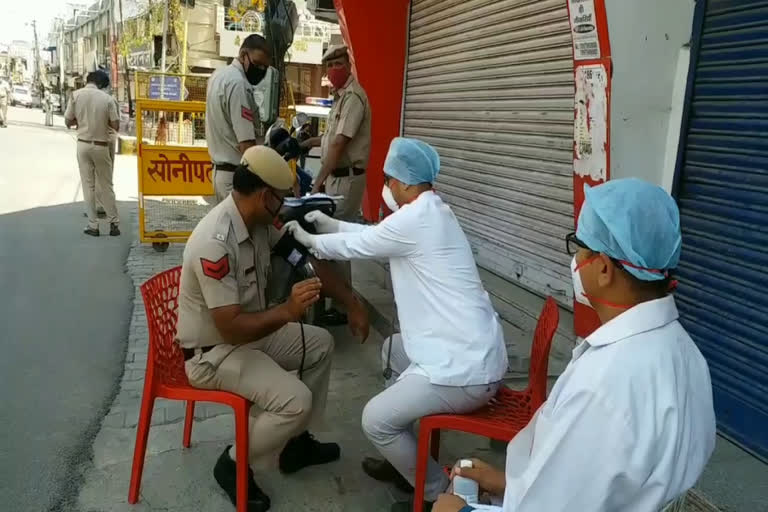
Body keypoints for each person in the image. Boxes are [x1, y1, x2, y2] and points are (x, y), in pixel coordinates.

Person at [431, 178, 716, 512]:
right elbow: (600, 484)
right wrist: (512, 484)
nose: (575, 260)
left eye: (579, 246)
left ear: (604, 269)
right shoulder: (686, 354)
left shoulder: (604, 385)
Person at [285, 137, 508, 512]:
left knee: (374, 420)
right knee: (391, 351)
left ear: (404, 183)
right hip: (465, 351)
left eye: (388, 181)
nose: (386, 188)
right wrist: (330, 224)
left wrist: (311, 239)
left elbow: (362, 245)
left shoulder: (417, 219)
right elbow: (373, 236)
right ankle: (407, 464)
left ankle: (436, 492)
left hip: (466, 370)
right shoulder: (429, 213)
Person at [176, 145, 370, 511]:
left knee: (320, 344)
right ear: (265, 196)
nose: (283, 206)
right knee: (295, 400)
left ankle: (294, 445)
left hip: (249, 336)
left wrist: (351, 302)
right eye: (281, 198)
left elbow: (306, 259)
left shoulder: (259, 223)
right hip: (213, 354)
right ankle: (232, 464)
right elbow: (231, 329)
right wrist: (287, 310)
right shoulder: (215, 242)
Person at [302, 44, 372, 326]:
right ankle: (339, 302)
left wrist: (318, 181)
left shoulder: (354, 97)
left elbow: (341, 143)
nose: (331, 71)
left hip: (346, 177)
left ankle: (345, 306)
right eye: (328, 65)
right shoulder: (340, 98)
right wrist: (305, 142)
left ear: (347, 65)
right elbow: (331, 138)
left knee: (338, 240)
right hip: (336, 177)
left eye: (336, 65)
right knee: (333, 239)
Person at [206, 34, 271, 204]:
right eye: (257, 64)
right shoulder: (238, 84)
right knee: (245, 230)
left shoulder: (218, 76)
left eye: (265, 67)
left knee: (230, 229)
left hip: (221, 174)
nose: (261, 71)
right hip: (236, 178)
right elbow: (246, 145)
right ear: (243, 55)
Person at [65, 70, 120, 237]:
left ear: (88, 80)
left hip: (83, 145)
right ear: (101, 84)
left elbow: (68, 121)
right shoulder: (107, 99)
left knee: (88, 186)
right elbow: (115, 125)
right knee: (107, 185)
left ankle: (93, 226)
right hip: (101, 146)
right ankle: (114, 225)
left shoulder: (75, 95)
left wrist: (80, 122)